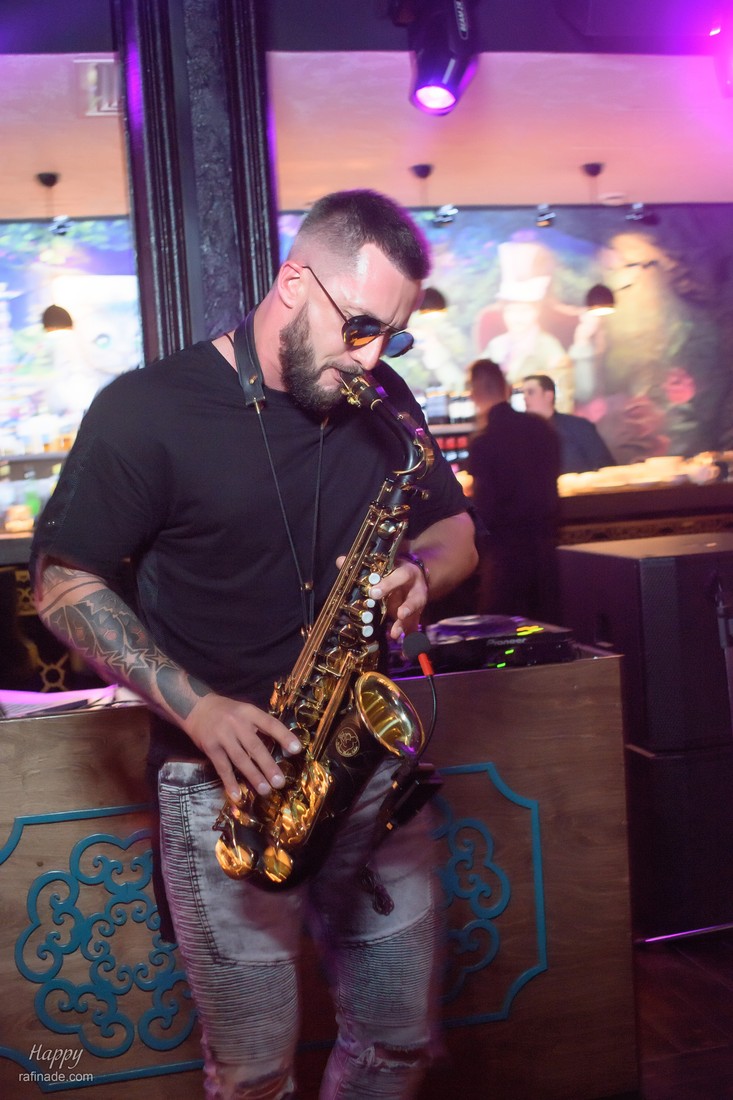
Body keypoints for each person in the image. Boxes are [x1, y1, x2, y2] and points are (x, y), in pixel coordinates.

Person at [29, 189, 477, 1100]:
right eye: (359, 328)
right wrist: (198, 708)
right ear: (293, 282)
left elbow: (456, 532)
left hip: (365, 778)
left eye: (390, 339)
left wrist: (422, 575)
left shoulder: (383, 403)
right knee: (254, 1075)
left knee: (396, 1044)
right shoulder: (146, 410)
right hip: (223, 789)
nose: (370, 358)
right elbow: (62, 585)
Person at [466, 358, 561, 624]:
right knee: (547, 629)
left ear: (475, 392)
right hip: (547, 551)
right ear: (507, 389)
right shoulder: (542, 428)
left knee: (500, 632)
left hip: (505, 557)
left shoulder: (485, 440)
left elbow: (485, 509)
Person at [522, 373, 616, 474]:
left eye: (530, 392)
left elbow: (605, 467)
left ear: (548, 396)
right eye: (524, 393)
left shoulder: (579, 427)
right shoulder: (522, 435)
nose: (524, 397)